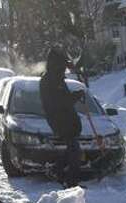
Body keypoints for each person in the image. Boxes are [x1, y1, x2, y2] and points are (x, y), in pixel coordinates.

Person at [39, 47, 84, 188]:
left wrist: (75, 96)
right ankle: (71, 182)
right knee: (74, 151)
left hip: (67, 120)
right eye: (63, 66)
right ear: (56, 64)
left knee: (72, 151)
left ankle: (56, 170)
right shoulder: (49, 80)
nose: (65, 69)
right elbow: (59, 102)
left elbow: (64, 99)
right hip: (60, 120)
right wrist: (74, 97)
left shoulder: (57, 78)